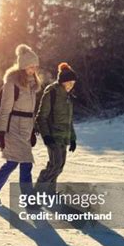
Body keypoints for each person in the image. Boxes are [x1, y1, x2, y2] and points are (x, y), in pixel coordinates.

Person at [0, 44, 41, 203]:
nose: (34, 69)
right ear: (23, 66)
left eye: (35, 66)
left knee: (13, 161)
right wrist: (1, 132)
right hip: (13, 127)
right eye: (31, 66)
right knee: (26, 162)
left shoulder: (32, 84)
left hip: (26, 127)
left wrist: (32, 129)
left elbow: (30, 110)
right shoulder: (12, 83)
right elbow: (4, 109)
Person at [35, 62, 77, 194]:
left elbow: (69, 120)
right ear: (62, 82)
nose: (71, 85)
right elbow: (41, 117)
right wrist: (46, 137)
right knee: (55, 165)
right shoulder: (52, 92)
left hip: (63, 136)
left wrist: (73, 138)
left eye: (73, 83)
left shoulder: (67, 96)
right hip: (52, 135)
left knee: (59, 166)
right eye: (68, 83)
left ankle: (50, 192)